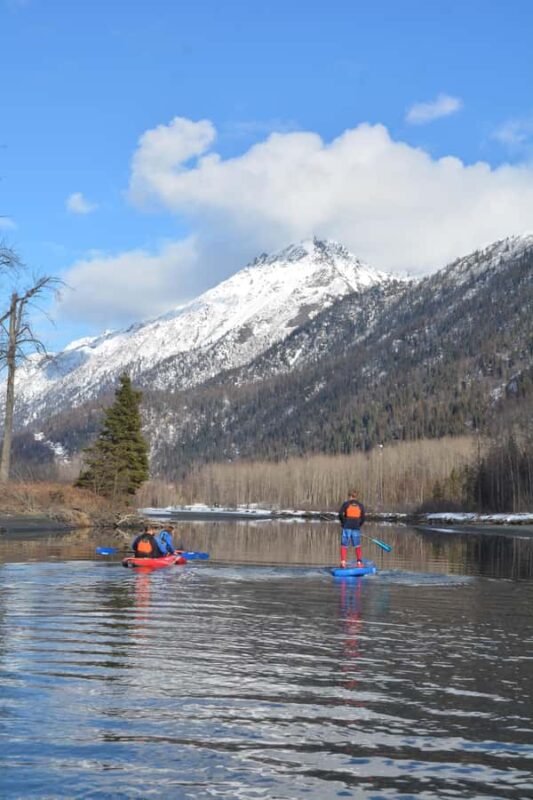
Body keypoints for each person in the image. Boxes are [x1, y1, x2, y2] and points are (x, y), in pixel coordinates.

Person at [338, 490, 366, 567]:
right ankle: (359, 563)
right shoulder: (361, 505)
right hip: (356, 527)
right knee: (357, 545)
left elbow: (340, 514)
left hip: (347, 527)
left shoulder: (346, 504)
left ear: (350, 496)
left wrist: (343, 523)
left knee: (344, 545)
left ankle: (343, 562)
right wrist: (359, 525)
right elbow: (363, 518)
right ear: (356, 496)